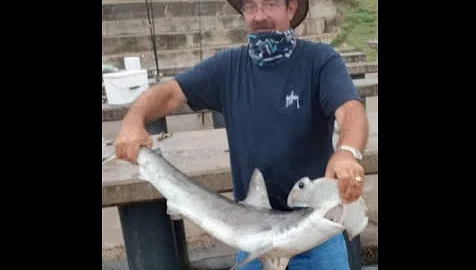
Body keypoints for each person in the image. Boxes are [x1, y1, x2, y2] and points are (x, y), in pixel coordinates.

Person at [114, 0, 369, 269]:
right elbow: (170, 93)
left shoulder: (319, 60)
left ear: (291, 8)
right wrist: (133, 120)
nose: (259, 16)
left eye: (269, 4)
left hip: (316, 237)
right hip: (250, 235)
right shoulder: (228, 66)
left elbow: (350, 110)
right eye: (250, 6)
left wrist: (347, 151)